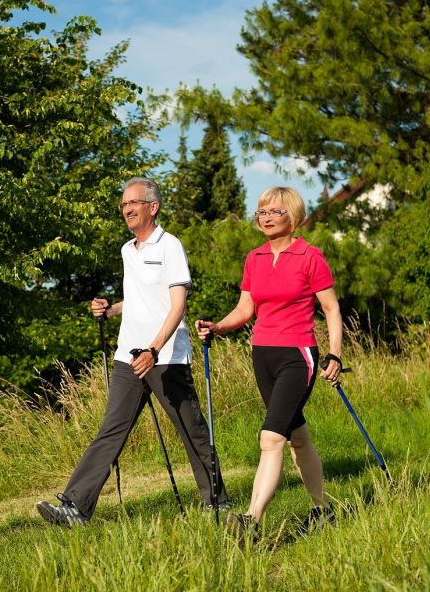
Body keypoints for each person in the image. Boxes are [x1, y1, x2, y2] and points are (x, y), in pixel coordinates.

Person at [36, 177, 229, 526]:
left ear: (152, 207)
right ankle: (75, 507)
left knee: (192, 430)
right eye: (123, 204)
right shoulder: (128, 250)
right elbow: (140, 299)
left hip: (164, 357)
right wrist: (109, 310)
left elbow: (177, 306)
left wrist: (155, 349)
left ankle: (217, 503)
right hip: (129, 356)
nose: (126, 209)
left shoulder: (170, 246)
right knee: (110, 430)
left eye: (133, 203)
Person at [195, 186, 343, 543]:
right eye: (261, 212)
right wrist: (217, 326)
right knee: (298, 439)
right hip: (262, 354)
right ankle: (323, 510)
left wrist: (335, 355)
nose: (265, 217)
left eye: (274, 212)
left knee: (271, 438)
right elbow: (246, 310)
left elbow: (331, 309)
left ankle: (250, 519)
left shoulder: (310, 256)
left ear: (293, 216)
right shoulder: (255, 258)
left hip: (298, 356)